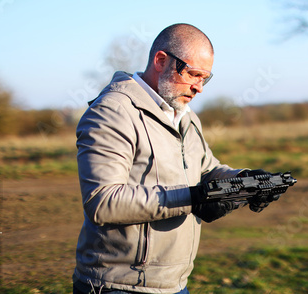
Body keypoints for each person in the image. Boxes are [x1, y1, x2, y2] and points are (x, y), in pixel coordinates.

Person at [72, 23, 269, 294]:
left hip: (175, 284)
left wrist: (246, 181)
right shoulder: (112, 112)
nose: (199, 88)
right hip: (119, 286)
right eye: (193, 74)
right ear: (161, 61)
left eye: (205, 78)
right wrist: (196, 197)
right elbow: (103, 202)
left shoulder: (185, 116)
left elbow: (207, 171)